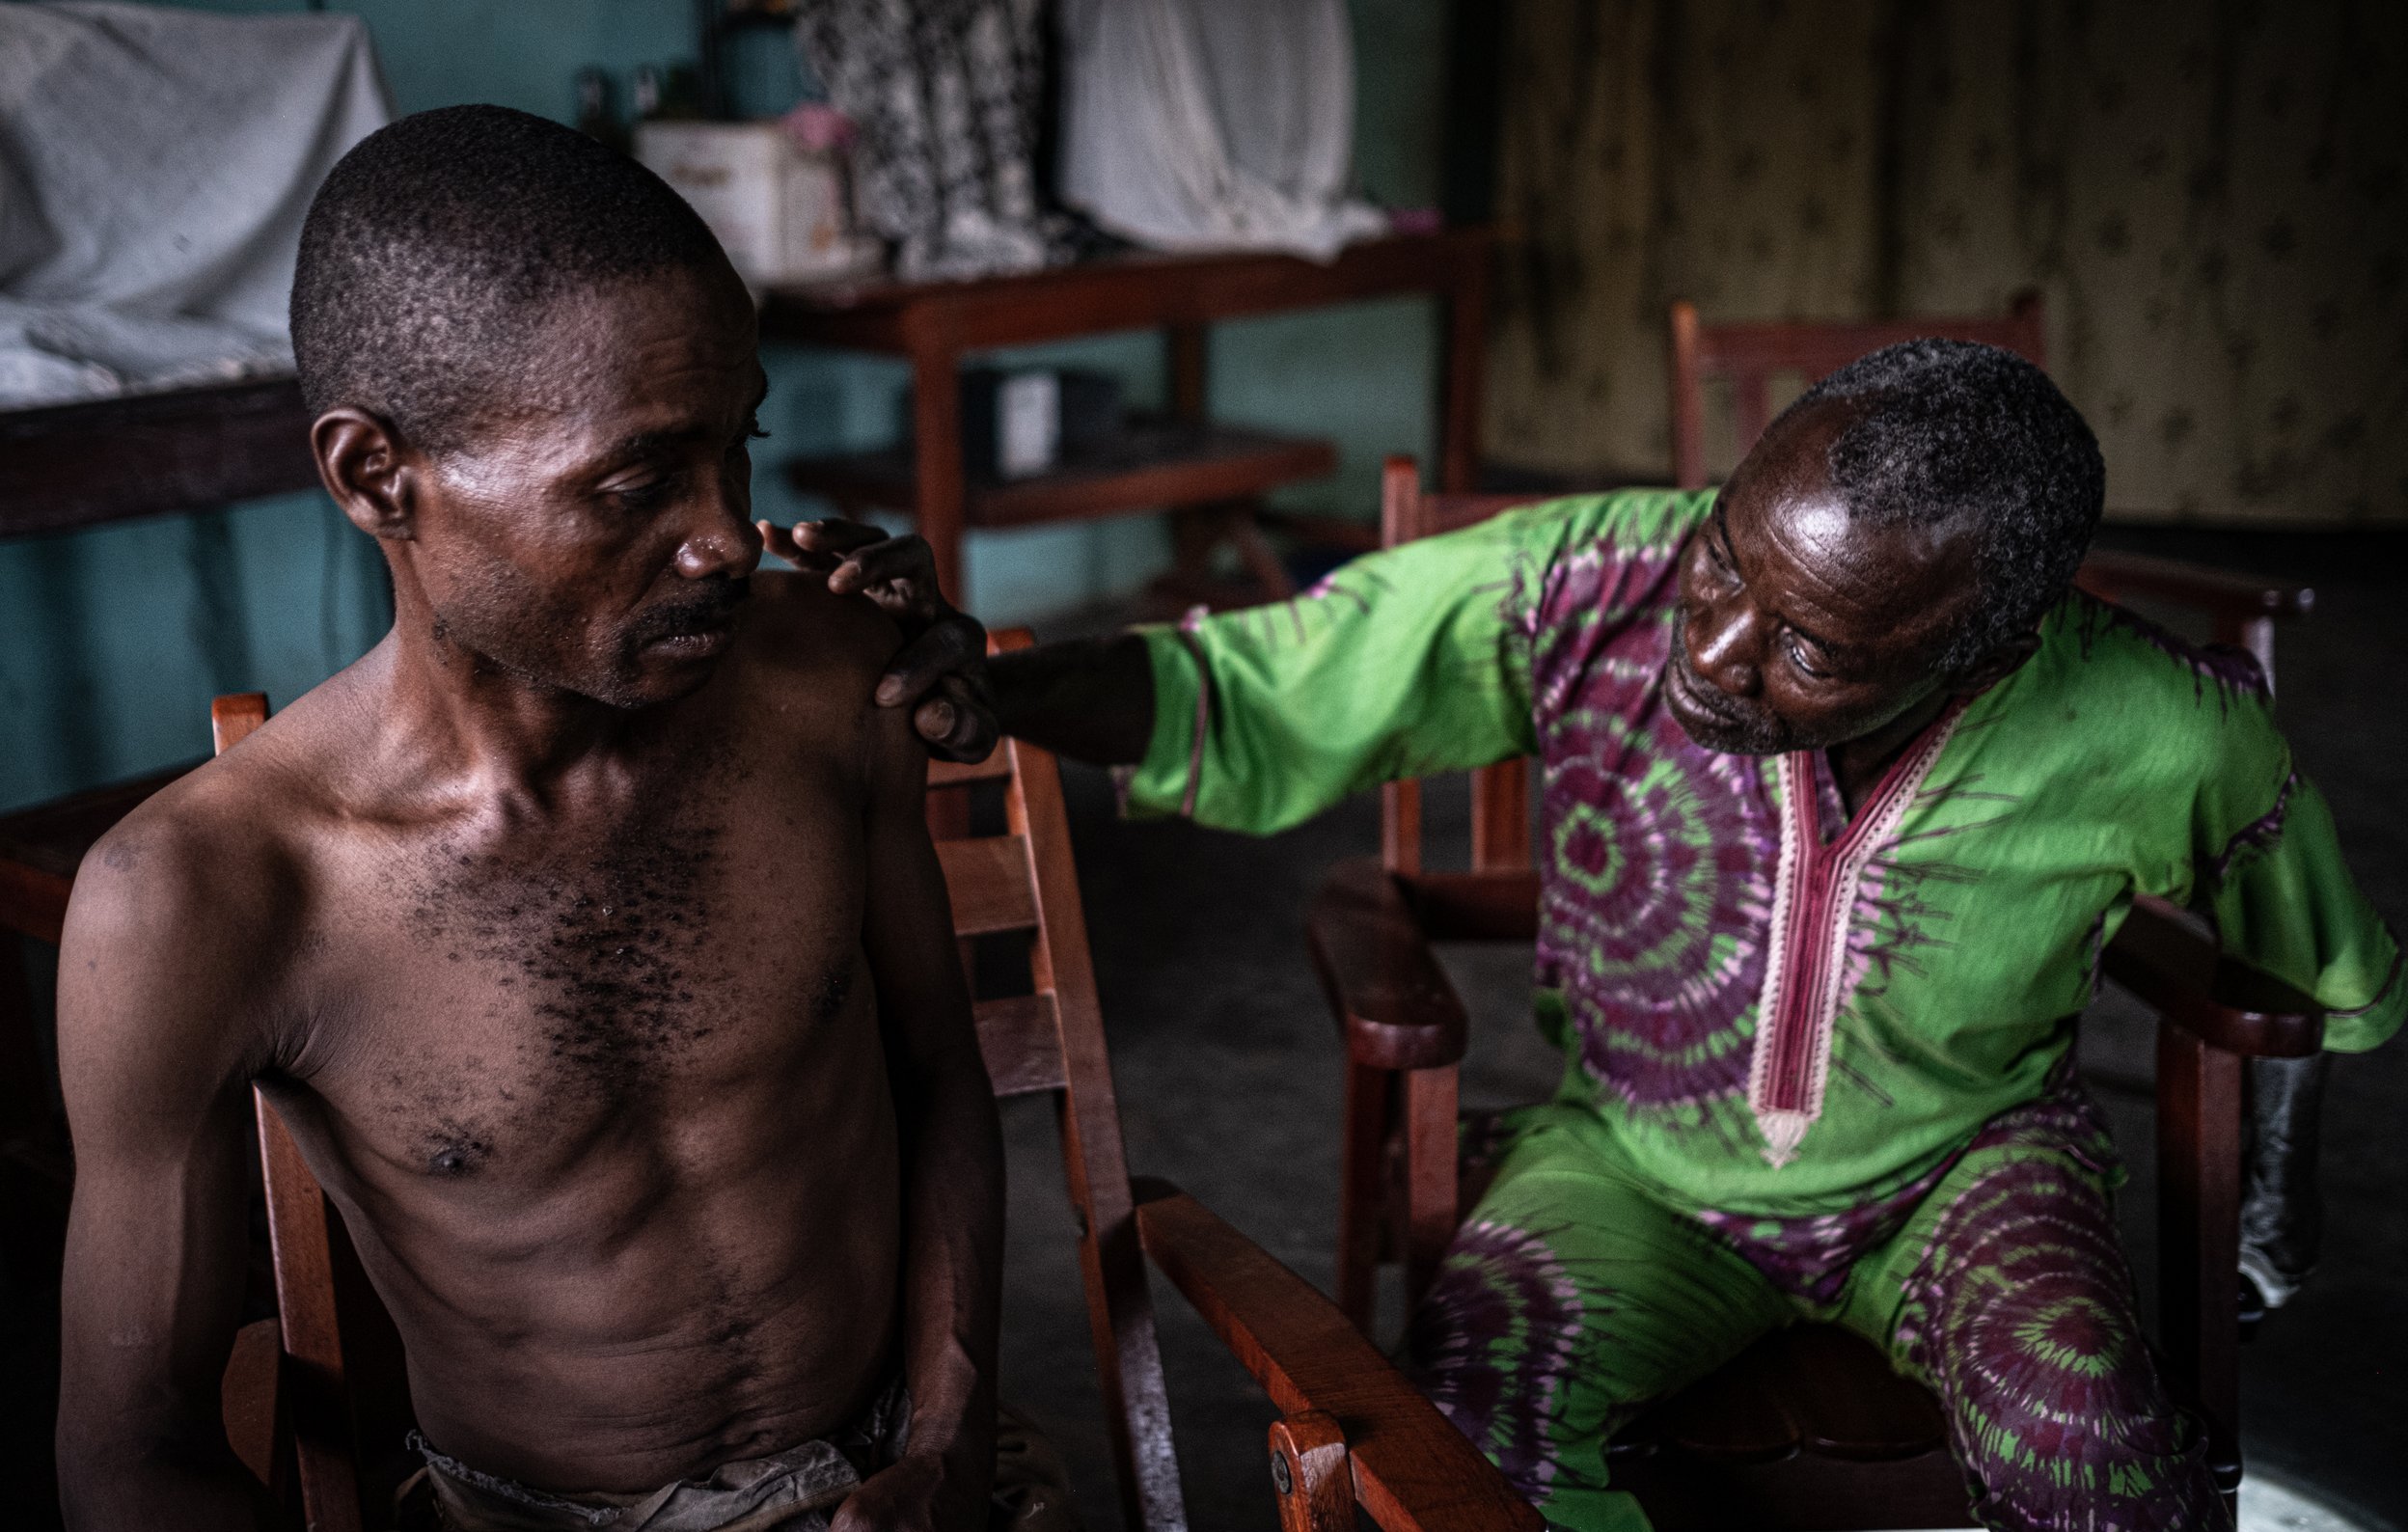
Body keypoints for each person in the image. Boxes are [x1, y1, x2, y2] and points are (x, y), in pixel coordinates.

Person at [876, 342, 2403, 1531]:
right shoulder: (1586, 579)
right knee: (1465, 1427)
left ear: (1988, 649)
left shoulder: (2165, 724)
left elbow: (2310, 964)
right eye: (1728, 555)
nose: (1714, 646)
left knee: (2099, 1443)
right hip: (1632, 1169)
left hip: (1967, 1171)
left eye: (1810, 647)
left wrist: (2271, 1221)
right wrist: (1003, 689)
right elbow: (1270, 679)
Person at [55, 107, 1018, 1532]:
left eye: (737, 449)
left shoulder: (830, 685)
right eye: (638, 483)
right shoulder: (207, 897)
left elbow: (938, 1071)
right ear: (376, 476)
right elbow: (129, 1455)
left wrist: (945, 1446)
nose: (726, 538)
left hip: (903, 1472)